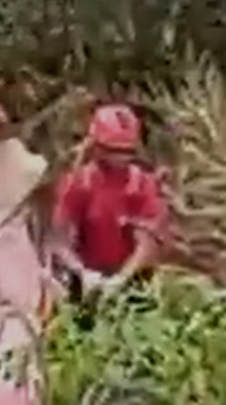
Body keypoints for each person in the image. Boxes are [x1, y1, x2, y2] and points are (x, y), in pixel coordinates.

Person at [51, 103, 168, 303]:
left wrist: (120, 280)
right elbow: (60, 240)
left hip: (132, 278)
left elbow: (147, 243)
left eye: (127, 151)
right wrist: (82, 273)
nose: (120, 158)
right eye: (113, 150)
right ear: (97, 147)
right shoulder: (80, 183)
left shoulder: (142, 185)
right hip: (87, 278)